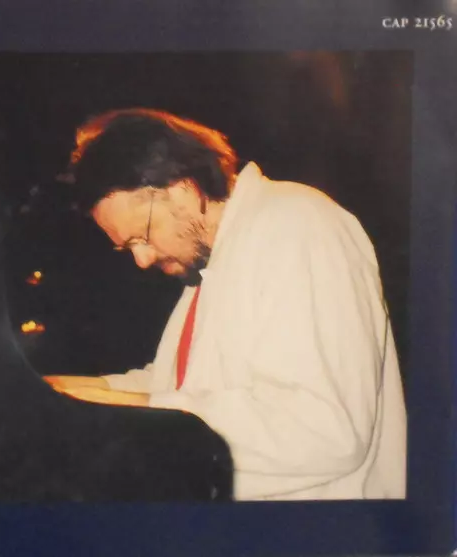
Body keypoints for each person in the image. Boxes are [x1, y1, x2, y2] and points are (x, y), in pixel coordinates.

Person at [44, 108, 407, 501]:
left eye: (141, 237)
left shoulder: (295, 225)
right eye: (127, 247)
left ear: (182, 188)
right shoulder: (213, 265)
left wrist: (134, 407)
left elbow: (324, 430)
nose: (142, 259)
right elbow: (178, 387)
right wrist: (74, 391)